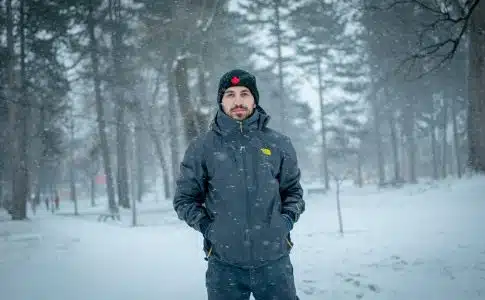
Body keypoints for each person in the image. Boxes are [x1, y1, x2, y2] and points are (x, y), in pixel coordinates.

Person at [173, 69, 305, 300]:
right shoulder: (202, 147)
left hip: (274, 262)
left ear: (254, 100)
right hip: (225, 266)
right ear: (221, 102)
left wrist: (283, 223)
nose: (238, 101)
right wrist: (209, 229)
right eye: (230, 94)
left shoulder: (278, 144)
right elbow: (185, 200)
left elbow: (293, 192)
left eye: (244, 93)